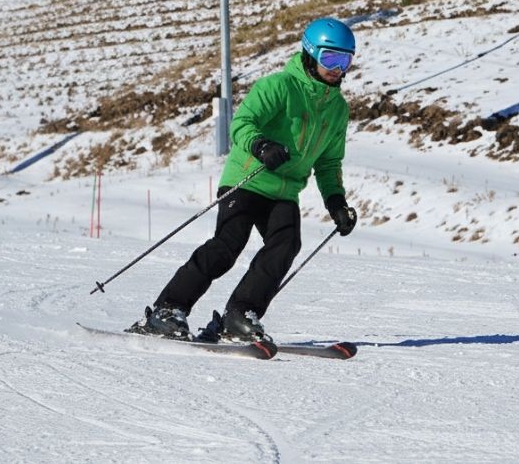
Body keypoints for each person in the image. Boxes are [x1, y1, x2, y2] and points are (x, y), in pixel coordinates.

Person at [129, 17, 358, 343]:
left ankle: (239, 315)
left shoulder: (338, 109)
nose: (337, 68)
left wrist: (336, 202)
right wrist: (261, 145)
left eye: (344, 60)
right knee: (227, 246)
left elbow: (329, 161)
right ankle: (168, 309)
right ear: (310, 54)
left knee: (286, 245)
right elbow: (242, 122)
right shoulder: (278, 86)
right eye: (330, 59)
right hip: (249, 177)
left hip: (285, 189)